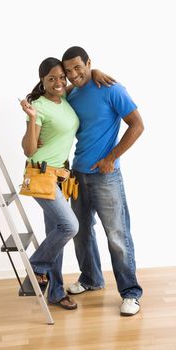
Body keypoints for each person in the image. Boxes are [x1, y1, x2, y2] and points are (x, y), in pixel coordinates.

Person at [20, 57, 113, 310]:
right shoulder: (37, 107)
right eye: (52, 78)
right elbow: (29, 149)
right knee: (70, 226)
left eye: (62, 76)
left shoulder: (65, 98)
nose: (59, 82)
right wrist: (30, 118)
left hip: (62, 176)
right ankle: (36, 267)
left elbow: (77, 82)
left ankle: (56, 292)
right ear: (42, 80)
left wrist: (94, 72)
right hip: (41, 175)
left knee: (57, 235)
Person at [61, 46, 144, 316]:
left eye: (79, 67)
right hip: (78, 173)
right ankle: (91, 279)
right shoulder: (71, 94)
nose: (74, 74)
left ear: (88, 62)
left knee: (117, 236)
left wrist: (112, 158)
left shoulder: (111, 89)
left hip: (106, 177)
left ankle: (130, 293)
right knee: (81, 232)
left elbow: (137, 125)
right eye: (68, 70)